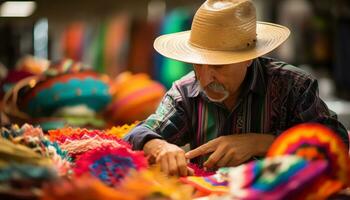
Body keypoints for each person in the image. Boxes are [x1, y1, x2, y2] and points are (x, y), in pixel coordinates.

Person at [124, 0, 349, 176]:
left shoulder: (293, 86)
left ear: (249, 58)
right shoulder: (185, 91)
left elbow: (337, 140)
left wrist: (261, 143)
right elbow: (136, 134)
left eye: (218, 65)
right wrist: (159, 147)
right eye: (197, 64)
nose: (205, 77)